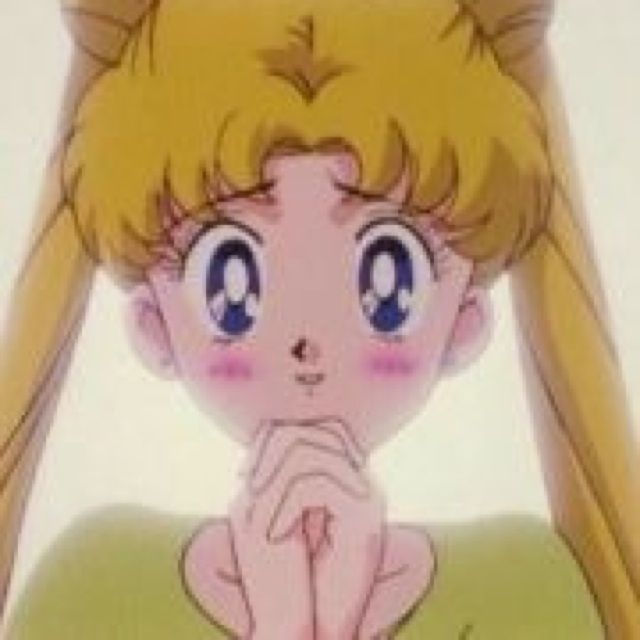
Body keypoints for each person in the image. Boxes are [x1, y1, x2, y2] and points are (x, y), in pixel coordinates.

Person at [1, 0, 638, 637]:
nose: (306, 342)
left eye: (388, 280)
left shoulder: (524, 594)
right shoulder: (92, 593)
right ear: (153, 327)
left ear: (465, 323)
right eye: (230, 281)